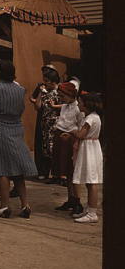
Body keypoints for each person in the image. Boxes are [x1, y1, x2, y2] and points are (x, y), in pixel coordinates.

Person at [0, 60, 37, 218]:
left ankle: (4, 205)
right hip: (16, 127)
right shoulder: (20, 89)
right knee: (18, 169)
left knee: (2, 168)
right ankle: (25, 204)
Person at [52, 82, 84, 215]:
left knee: (73, 170)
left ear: (70, 95)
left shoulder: (78, 109)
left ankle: (77, 200)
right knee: (65, 170)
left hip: (70, 140)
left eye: (62, 95)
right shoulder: (65, 106)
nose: (61, 98)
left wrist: (72, 135)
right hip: (60, 137)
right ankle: (70, 198)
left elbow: (81, 127)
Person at [71, 93, 103, 223]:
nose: (78, 104)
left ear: (87, 104)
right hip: (91, 147)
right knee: (90, 181)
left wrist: (72, 131)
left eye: (80, 102)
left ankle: (92, 213)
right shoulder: (93, 117)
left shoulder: (90, 119)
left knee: (92, 181)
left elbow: (80, 134)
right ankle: (90, 209)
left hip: (90, 149)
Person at [31, 67, 61, 182]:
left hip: (56, 124)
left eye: (47, 81)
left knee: (54, 149)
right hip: (45, 124)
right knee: (46, 148)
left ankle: (57, 174)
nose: (45, 83)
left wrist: (55, 107)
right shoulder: (44, 92)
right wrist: (40, 93)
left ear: (53, 82)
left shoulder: (60, 91)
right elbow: (37, 106)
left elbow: (67, 105)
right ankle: (45, 172)